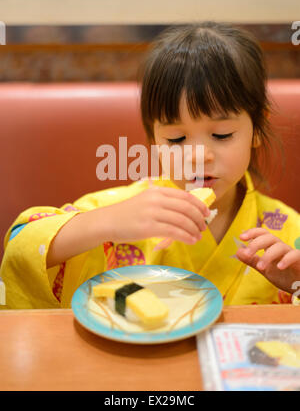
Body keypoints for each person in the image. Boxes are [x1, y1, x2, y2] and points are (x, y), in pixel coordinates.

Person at [1, 22, 300, 309]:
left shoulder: (286, 232)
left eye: (222, 135)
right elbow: (20, 246)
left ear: (257, 130)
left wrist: (295, 284)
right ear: (154, 139)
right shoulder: (127, 209)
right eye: (177, 138)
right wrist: (106, 223)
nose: (197, 156)